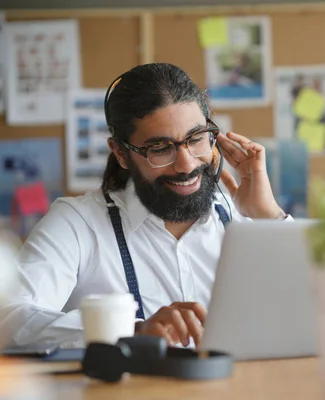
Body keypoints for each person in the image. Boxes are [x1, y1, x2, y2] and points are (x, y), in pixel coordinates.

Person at [0, 63, 290, 348]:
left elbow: (324, 302)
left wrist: (270, 217)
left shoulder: (248, 218)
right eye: (161, 149)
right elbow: (9, 318)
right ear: (122, 154)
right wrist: (129, 330)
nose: (186, 164)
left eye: (197, 138)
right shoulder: (77, 224)